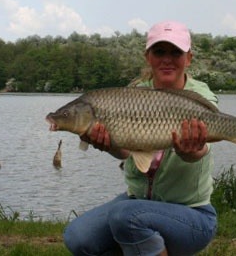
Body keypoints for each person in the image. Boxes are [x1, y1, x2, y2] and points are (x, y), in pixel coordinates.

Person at [62, 20, 218, 255]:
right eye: (159, 51)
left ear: (188, 58)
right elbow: (128, 152)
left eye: (175, 52)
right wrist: (109, 146)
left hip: (192, 215)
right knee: (78, 238)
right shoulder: (134, 93)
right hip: (138, 203)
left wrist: (190, 151)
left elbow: (200, 151)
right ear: (148, 57)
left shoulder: (201, 97)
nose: (167, 59)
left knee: (125, 217)